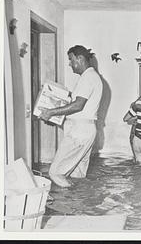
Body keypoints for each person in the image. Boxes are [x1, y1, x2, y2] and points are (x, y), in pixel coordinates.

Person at [38, 45, 103, 187]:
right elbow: (78, 106)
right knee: (77, 175)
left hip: (79, 132)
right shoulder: (90, 77)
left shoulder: (88, 77)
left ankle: (66, 206)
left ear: (80, 59)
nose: (69, 64)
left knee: (55, 173)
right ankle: (78, 206)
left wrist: (51, 112)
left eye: (71, 59)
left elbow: (78, 105)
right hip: (85, 130)